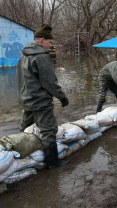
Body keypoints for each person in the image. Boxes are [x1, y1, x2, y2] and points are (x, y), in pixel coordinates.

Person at [16, 24, 70, 169]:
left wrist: (22, 96)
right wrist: (62, 97)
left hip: (26, 99)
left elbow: (20, 78)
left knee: (25, 126)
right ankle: (53, 163)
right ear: (41, 40)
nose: (50, 46)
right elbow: (50, 82)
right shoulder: (41, 56)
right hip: (40, 102)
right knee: (49, 130)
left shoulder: (24, 54)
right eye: (49, 42)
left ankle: (20, 150)